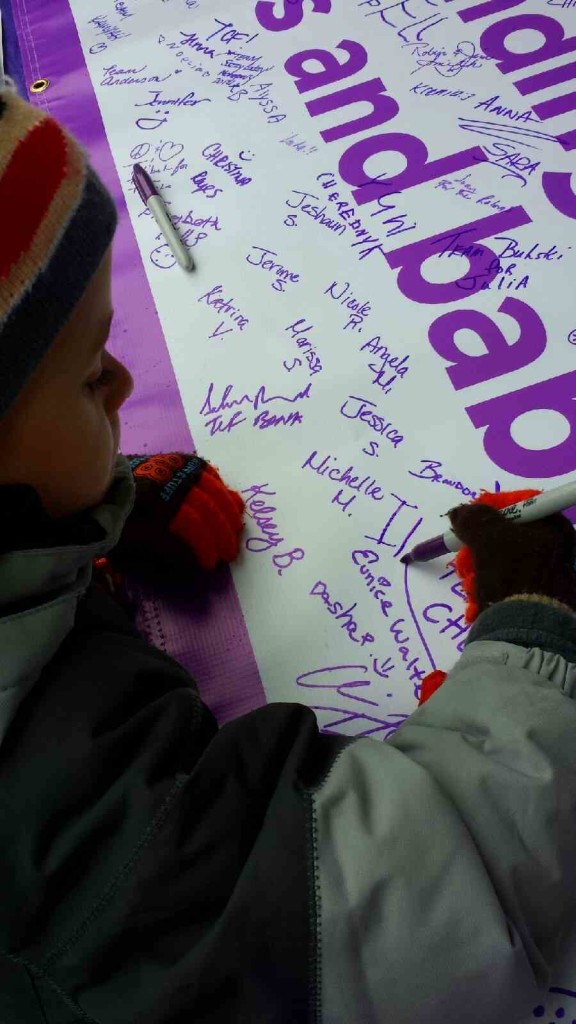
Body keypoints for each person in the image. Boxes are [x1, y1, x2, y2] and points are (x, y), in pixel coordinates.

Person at [1, 84, 576, 1024]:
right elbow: (401, 922)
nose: (127, 384)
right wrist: (539, 632)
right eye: (90, 373)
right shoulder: (48, 811)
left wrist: (104, 508)